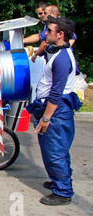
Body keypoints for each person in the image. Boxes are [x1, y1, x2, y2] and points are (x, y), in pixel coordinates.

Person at [26, 16, 82, 206]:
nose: (45, 33)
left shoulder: (62, 60)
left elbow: (56, 94)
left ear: (60, 35)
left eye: (49, 31)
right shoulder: (59, 52)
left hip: (55, 113)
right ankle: (60, 181)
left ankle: (63, 192)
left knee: (54, 152)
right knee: (57, 150)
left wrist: (46, 118)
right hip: (56, 111)